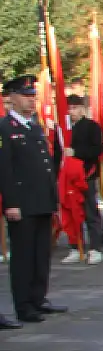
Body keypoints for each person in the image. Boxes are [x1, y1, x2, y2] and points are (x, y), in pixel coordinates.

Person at [0, 76, 61, 327]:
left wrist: (52, 198)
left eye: (33, 96)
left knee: (41, 254)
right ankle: (23, 305)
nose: (31, 100)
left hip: (42, 200)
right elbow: (5, 170)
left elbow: (46, 166)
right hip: (22, 203)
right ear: (11, 98)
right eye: (25, 96)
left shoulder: (34, 127)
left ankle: (38, 298)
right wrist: (11, 203)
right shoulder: (5, 128)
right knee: (23, 256)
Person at [65, 94, 103, 263]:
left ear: (82, 109)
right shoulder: (65, 128)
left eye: (74, 108)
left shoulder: (91, 127)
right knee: (71, 212)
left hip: (86, 174)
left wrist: (76, 153)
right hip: (68, 178)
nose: (71, 112)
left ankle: (95, 247)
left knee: (90, 211)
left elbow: (97, 150)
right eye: (69, 108)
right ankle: (75, 246)